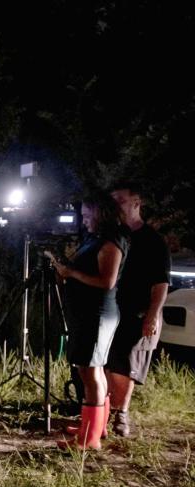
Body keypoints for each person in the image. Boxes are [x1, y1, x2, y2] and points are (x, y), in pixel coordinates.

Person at [48, 193, 128, 450]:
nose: (83, 221)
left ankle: (88, 440)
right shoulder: (96, 239)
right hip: (88, 314)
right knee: (93, 369)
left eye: (86, 216)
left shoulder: (111, 243)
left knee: (90, 371)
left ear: (100, 214)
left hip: (97, 314)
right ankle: (94, 426)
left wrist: (71, 272)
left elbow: (107, 282)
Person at [104, 181, 171, 437]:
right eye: (113, 202)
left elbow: (161, 281)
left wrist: (153, 314)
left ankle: (121, 413)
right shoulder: (113, 236)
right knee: (108, 361)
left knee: (127, 363)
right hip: (112, 309)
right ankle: (105, 411)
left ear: (136, 202)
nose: (116, 206)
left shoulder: (152, 240)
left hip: (139, 311)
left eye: (120, 200)